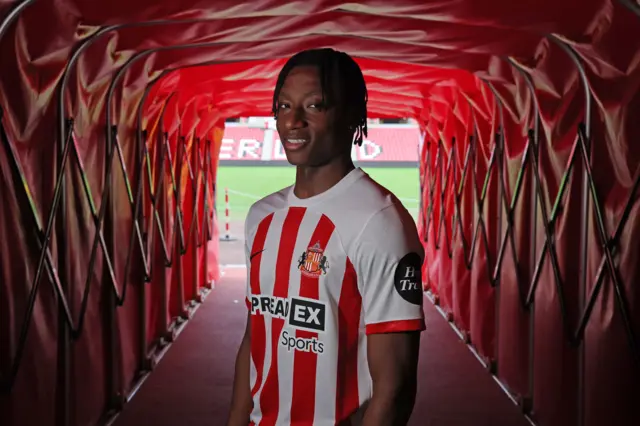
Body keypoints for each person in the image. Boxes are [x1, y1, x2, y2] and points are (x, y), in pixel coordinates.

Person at [226, 48, 426, 426]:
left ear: (352, 116)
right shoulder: (261, 217)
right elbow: (257, 335)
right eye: (284, 106)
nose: (293, 121)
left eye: (314, 106)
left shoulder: (380, 222)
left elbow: (395, 387)